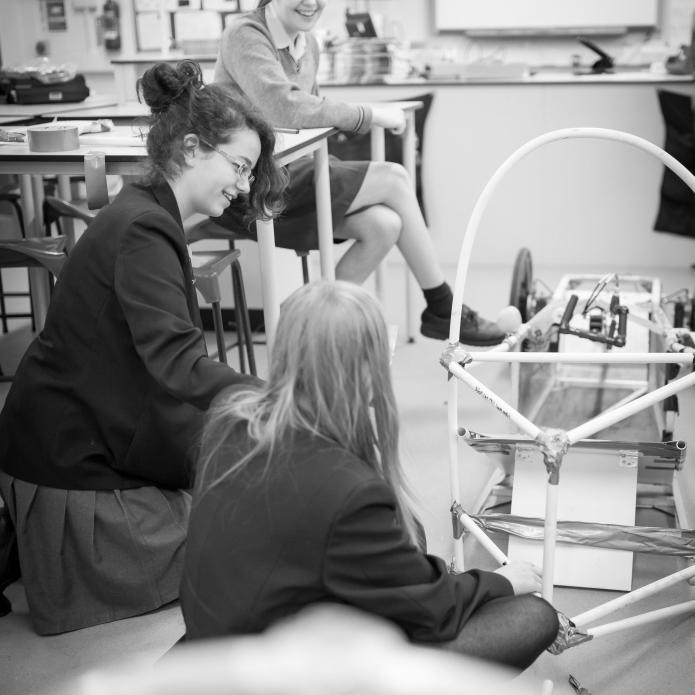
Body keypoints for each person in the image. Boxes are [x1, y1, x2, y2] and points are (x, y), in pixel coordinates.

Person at [0, 60, 286, 634]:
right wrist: (278, 396)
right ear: (189, 147)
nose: (242, 186)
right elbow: (179, 365)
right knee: (253, 544)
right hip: (70, 470)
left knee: (248, 503)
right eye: (239, 166)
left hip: (79, 443)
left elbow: (167, 369)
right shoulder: (144, 229)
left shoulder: (145, 214)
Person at [180, 280, 560, 670]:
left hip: (213, 645)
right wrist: (502, 580)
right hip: (267, 673)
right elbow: (433, 609)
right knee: (533, 617)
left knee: (409, 530)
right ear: (366, 370)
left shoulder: (230, 414)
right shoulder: (349, 492)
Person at [212, 0, 505, 347]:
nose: (311, 3)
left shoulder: (309, 43)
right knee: (394, 178)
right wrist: (369, 114)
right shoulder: (244, 35)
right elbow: (286, 108)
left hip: (290, 170)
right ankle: (443, 307)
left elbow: (308, 117)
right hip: (250, 186)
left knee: (384, 225)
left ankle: (308, 325)